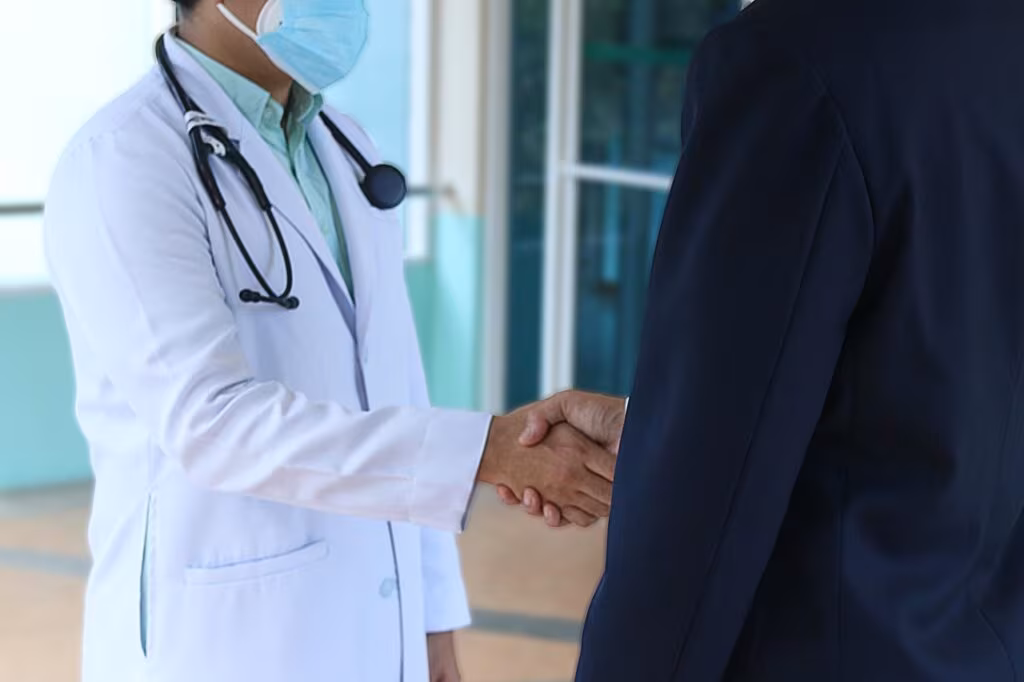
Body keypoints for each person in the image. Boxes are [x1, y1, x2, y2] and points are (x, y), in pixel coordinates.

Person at [42, 1, 614, 681]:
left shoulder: (343, 146)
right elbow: (212, 423)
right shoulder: (124, 161)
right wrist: (489, 453)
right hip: (221, 645)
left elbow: (398, 382)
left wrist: (431, 625)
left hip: (378, 634)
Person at [509, 0, 1024, 679]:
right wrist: (649, 429)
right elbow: (944, 377)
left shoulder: (788, 62)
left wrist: (674, 446)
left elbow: (708, 489)